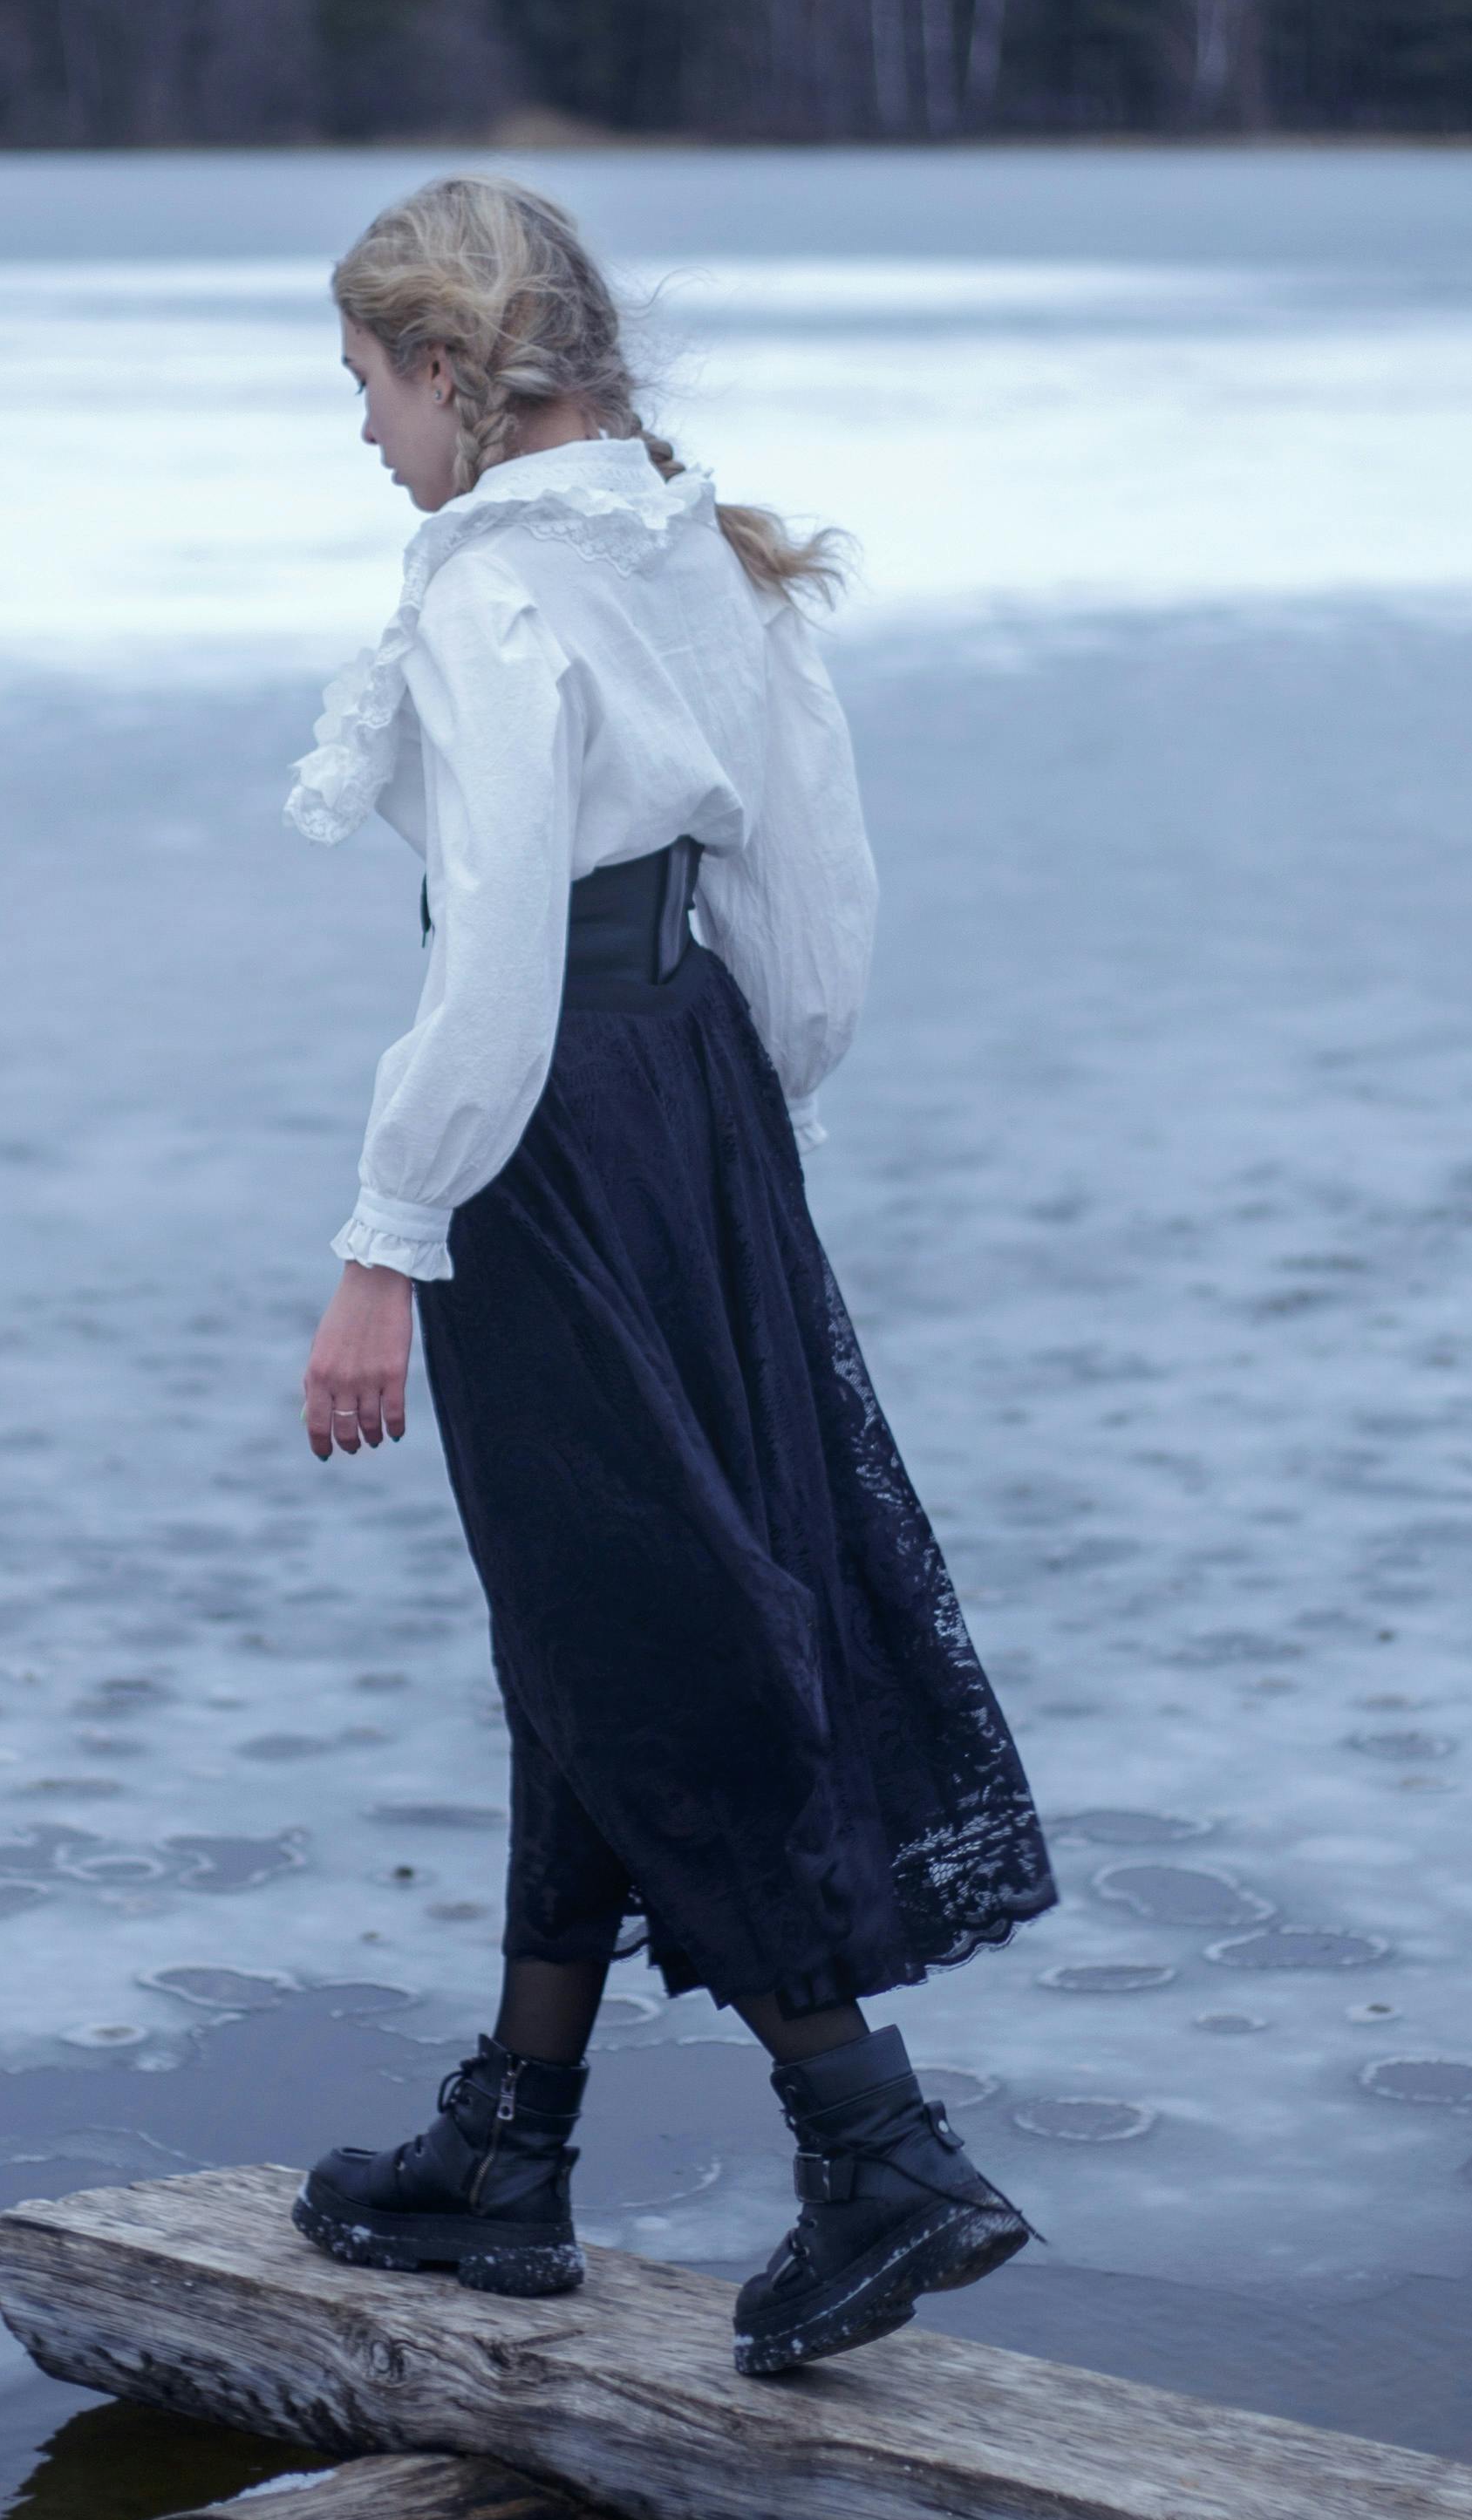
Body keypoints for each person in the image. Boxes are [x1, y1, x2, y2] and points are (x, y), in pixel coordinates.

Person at [284, 176, 1056, 2377]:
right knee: (592, 1622)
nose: (359, 437)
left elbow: (498, 941)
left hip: (538, 1129)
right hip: (696, 1103)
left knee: (639, 1633)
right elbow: (815, 909)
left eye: (362, 387)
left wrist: (384, 1238)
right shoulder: (702, 550)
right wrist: (730, 1126)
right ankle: (512, 2143)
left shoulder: (495, 594)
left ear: (450, 371)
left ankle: (873, 2144)